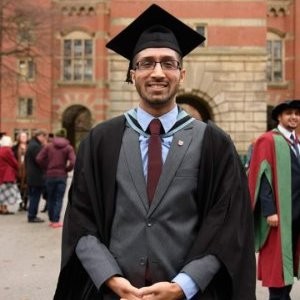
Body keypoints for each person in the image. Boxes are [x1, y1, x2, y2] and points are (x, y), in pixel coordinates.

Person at [54, 4, 256, 300]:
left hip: (190, 295)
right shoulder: (101, 140)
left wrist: (183, 285)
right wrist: (109, 277)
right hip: (116, 293)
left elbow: (228, 227)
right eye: (147, 63)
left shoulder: (214, 143)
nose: (158, 72)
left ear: (182, 74)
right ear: (132, 74)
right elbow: (81, 221)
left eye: (168, 63)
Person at [248, 99, 300, 300]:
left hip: (296, 217)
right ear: (279, 117)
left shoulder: (296, 143)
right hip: (278, 219)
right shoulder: (268, 140)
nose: (294, 117)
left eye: (296, 113)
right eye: (289, 113)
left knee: (287, 274)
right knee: (276, 274)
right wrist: (269, 211)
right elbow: (262, 177)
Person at [36, 128, 75, 228]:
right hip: (61, 176)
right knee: (59, 198)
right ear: (65, 136)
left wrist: (47, 167)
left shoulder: (48, 146)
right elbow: (74, 161)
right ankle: (56, 221)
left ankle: (51, 219)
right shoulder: (68, 147)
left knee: (50, 197)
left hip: (50, 175)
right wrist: (67, 169)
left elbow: (39, 158)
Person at [25, 129, 48, 223]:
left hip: (31, 175)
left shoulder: (31, 144)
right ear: (40, 136)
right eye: (44, 136)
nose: (44, 139)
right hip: (36, 176)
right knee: (35, 196)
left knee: (33, 196)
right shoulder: (36, 146)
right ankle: (32, 215)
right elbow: (40, 160)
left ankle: (31, 214)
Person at [0, 135, 22, 214]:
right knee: (8, 193)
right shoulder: (7, 150)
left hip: (1, 174)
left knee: (2, 192)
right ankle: (4, 208)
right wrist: (18, 167)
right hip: (7, 174)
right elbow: (13, 162)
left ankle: (2, 208)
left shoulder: (1, 149)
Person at [12, 131, 29, 211]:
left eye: (25, 137)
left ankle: (25, 204)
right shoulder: (15, 148)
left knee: (27, 188)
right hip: (18, 170)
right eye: (22, 137)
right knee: (19, 188)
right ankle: (20, 204)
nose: (24, 138)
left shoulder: (29, 147)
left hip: (27, 170)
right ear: (19, 138)